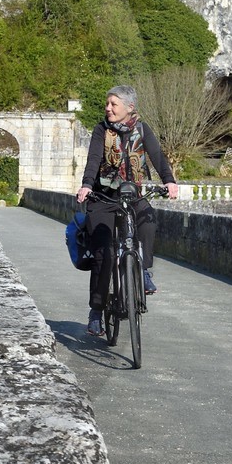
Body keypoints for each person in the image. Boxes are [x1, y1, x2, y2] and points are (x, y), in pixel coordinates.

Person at [75, 85, 178, 338]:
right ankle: (96, 312)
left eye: (113, 104)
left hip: (133, 195)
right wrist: (87, 185)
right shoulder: (101, 130)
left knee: (148, 221)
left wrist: (169, 180)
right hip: (103, 198)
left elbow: (157, 156)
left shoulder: (141, 129)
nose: (108, 108)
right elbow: (93, 159)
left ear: (130, 108)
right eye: (107, 104)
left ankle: (143, 271)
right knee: (105, 254)